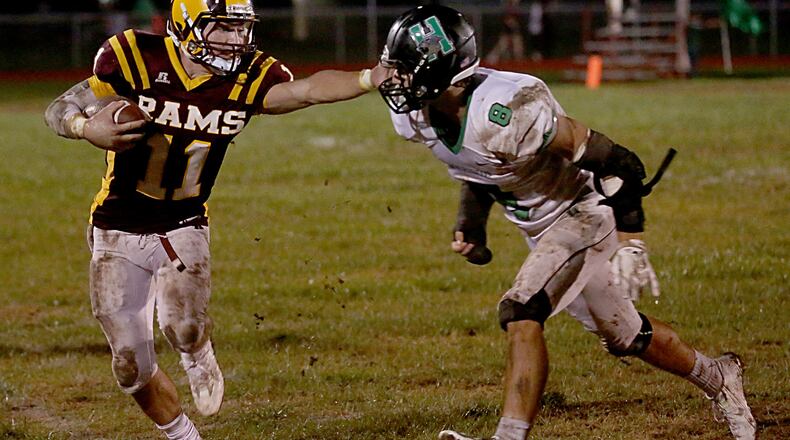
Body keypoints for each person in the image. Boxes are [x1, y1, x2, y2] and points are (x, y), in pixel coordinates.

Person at [375, 5, 756, 440]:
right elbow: (479, 169)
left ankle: (509, 436)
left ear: (441, 72)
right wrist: (472, 226)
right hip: (542, 229)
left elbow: (620, 162)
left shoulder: (507, 107)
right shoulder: (417, 115)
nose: (392, 77)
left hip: (584, 212)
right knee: (625, 336)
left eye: (403, 68)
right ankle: (719, 376)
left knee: (522, 309)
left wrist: (633, 239)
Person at [44, 0, 385, 438]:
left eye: (239, 28)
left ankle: (196, 351)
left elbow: (307, 90)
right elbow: (60, 108)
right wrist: (85, 128)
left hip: (183, 221)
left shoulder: (247, 75)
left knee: (182, 327)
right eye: (221, 27)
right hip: (116, 227)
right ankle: (183, 434)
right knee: (130, 366)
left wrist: (368, 77)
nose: (234, 39)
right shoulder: (135, 57)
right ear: (185, 26)